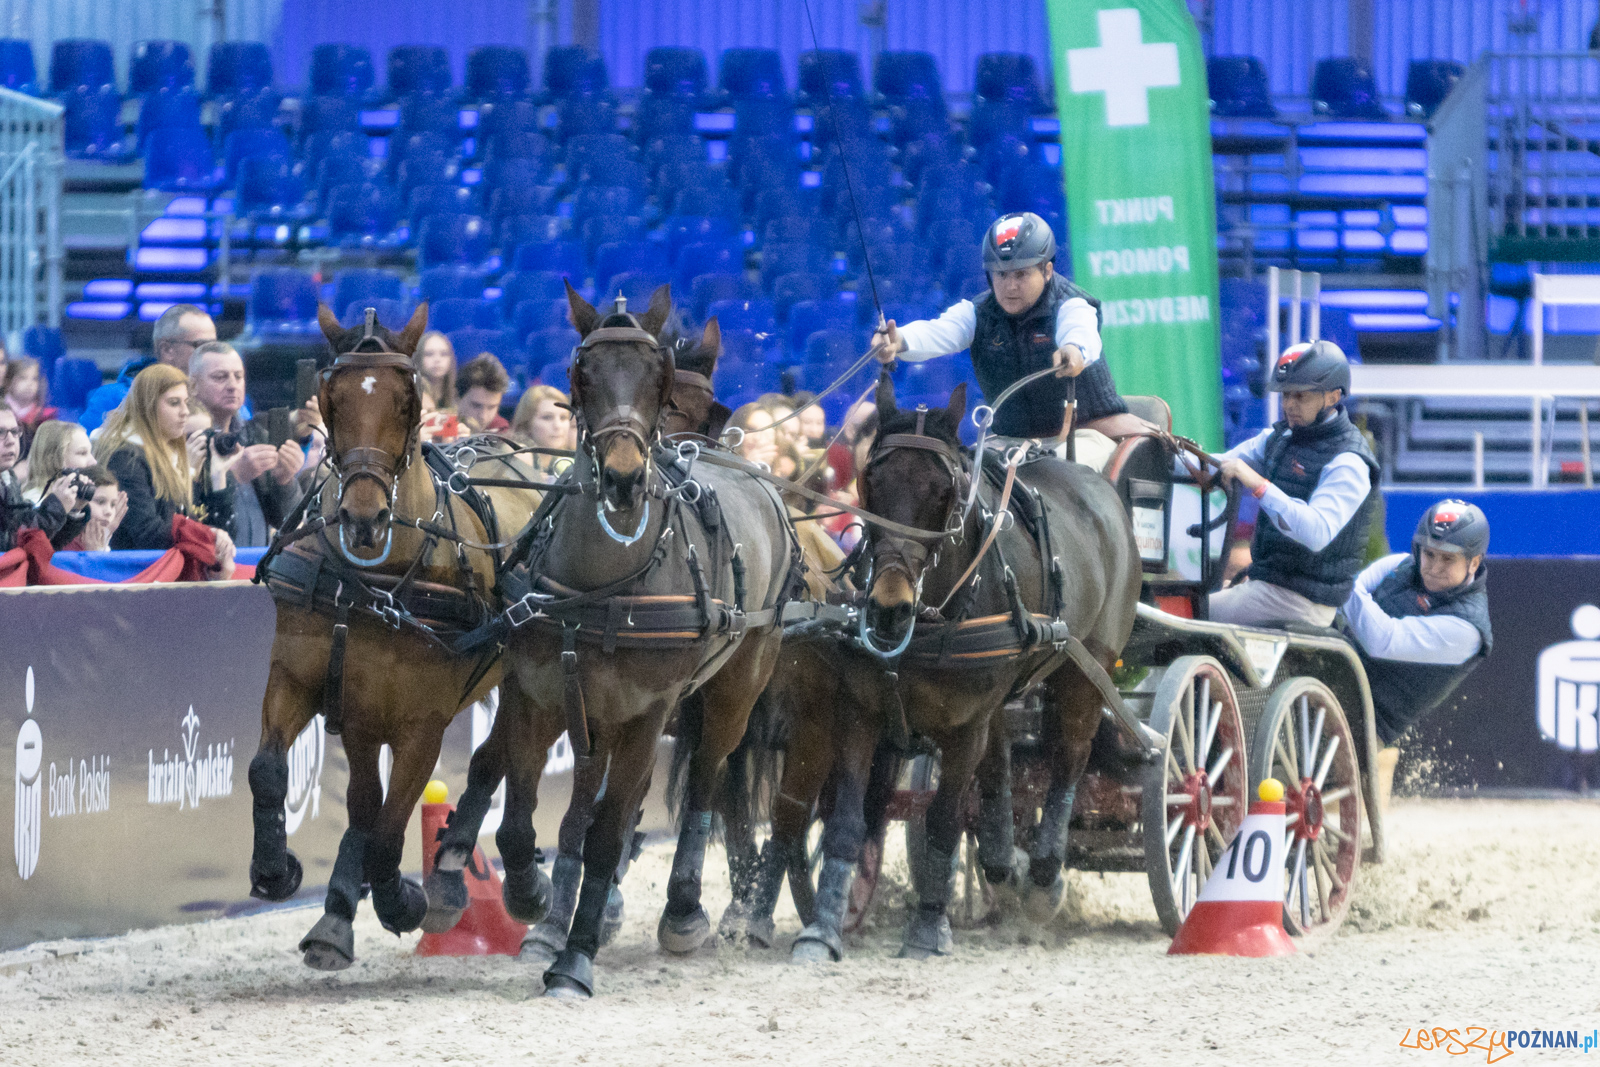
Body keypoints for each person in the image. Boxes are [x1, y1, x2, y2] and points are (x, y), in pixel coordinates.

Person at [871, 212, 1128, 471]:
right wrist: (899, 340)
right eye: (1001, 275)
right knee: (965, 475)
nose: (1010, 286)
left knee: (1053, 469)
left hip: (1087, 435)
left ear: (1047, 270)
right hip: (1012, 442)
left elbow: (1080, 331)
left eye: (1021, 274)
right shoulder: (976, 313)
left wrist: (1074, 350)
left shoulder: (1072, 304)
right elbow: (938, 331)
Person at [1207, 340, 1380, 628]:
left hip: (1304, 601)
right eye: (1286, 394)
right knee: (1190, 596)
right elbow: (1217, 464)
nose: (1289, 405)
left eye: (1300, 396)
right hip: (1270, 586)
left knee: (1189, 612)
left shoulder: (1350, 462)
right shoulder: (1281, 438)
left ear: (1333, 397)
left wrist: (1258, 484)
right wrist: (1154, 444)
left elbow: (1316, 532)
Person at [1341, 500, 1493, 807]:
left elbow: (1381, 639)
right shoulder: (1398, 564)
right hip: (1331, 669)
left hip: (1364, 722)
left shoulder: (1468, 630)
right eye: (1429, 554)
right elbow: (1351, 593)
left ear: (1473, 562)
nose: (1434, 567)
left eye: (1448, 559)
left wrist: (1335, 580)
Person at [94, 364, 235, 568]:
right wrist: (206, 535)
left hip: (165, 573)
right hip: (136, 575)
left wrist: (217, 476)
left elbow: (195, 523)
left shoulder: (171, 456)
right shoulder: (125, 458)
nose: (185, 412)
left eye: (186, 402)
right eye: (174, 403)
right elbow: (148, 534)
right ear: (148, 406)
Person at [188, 340, 306, 547]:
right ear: (193, 386)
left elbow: (288, 524)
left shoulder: (256, 435)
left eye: (238, 376)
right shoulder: (183, 439)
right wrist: (234, 477)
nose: (232, 385)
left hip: (255, 561)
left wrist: (285, 481)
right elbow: (181, 520)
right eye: (220, 377)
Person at [82, 304, 217, 432]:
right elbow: (91, 447)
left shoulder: (219, 395)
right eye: (201, 345)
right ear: (167, 349)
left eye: (213, 346)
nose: (211, 354)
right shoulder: (115, 399)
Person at [0, 407, 87, 552]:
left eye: (14, 432)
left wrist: (71, 510)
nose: (11, 441)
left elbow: (44, 548)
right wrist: (57, 507)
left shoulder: (8, 478)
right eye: (1, 432)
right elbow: (12, 543)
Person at [510, 384, 574, 481]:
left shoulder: (564, 461)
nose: (557, 426)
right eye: (547, 417)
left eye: (563, 417)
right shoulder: (520, 454)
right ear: (527, 423)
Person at [21, 420, 95, 504]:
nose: (94, 462)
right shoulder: (34, 502)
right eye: (82, 453)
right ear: (53, 459)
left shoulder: (78, 498)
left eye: (91, 452)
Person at [60, 465, 127, 552]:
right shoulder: (65, 541)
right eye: (100, 502)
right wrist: (94, 553)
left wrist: (106, 534)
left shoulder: (98, 540)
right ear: (80, 500)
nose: (109, 512)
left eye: (113, 504)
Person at [3, 356, 58, 455]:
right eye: (23, 378)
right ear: (8, 381)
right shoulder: (2, 411)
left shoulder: (45, 416)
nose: (29, 384)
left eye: (34, 379)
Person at [456, 354, 512, 433]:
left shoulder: (501, 431)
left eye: (491, 407)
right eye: (476, 406)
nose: (483, 417)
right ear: (458, 399)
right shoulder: (440, 426)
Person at [415, 330, 458, 414]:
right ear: (419, 358)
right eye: (429, 354)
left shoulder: (457, 395)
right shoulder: (411, 393)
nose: (437, 359)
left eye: (444, 354)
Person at [728, 402, 779, 467]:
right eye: (751, 429)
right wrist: (749, 465)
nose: (757, 437)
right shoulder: (720, 463)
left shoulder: (783, 469)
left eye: (764, 431)